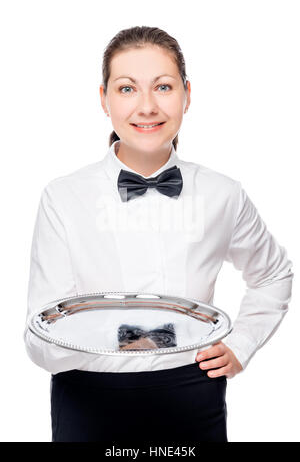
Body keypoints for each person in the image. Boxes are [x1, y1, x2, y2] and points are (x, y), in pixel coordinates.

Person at [24, 26, 294, 443]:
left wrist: (241, 345)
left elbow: (273, 275)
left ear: (187, 94)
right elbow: (41, 332)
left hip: (192, 394)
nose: (147, 106)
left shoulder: (223, 193)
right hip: (88, 396)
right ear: (104, 99)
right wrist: (107, 340)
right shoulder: (63, 197)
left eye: (163, 87)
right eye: (127, 88)